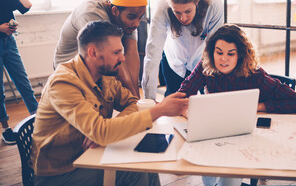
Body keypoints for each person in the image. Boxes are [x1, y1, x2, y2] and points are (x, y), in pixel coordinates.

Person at [31, 20, 188, 186]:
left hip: (91, 154)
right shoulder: (63, 83)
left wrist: (107, 128)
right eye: (116, 52)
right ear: (93, 53)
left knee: (147, 167)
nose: (122, 58)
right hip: (61, 172)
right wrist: (160, 110)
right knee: (134, 174)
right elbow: (102, 132)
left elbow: (132, 103)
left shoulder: (104, 74)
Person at [178, 24, 296, 186]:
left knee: (228, 177)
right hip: (212, 131)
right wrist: (189, 111)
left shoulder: (254, 74)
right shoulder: (206, 65)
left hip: (243, 134)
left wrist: (259, 106)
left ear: (240, 55)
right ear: (212, 52)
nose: (223, 59)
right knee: (209, 173)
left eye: (230, 54)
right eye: (219, 52)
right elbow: (181, 95)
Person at [54, 0, 147, 98]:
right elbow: (111, 57)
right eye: (132, 17)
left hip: (95, 65)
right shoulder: (92, 14)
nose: (136, 24)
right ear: (114, 11)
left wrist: (136, 98)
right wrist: (134, 99)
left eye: (140, 17)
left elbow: (131, 53)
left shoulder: (128, 15)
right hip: (69, 69)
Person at [142, 0, 224, 100]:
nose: (183, 18)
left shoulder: (214, 5)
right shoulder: (162, 7)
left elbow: (213, 48)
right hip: (173, 60)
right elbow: (153, 52)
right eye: (177, 12)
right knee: (173, 99)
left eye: (188, 11)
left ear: (196, 2)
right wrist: (149, 100)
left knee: (208, 100)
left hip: (202, 59)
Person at [0, 0, 38, 145]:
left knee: (24, 84)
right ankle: (6, 129)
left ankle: (38, 120)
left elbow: (27, 5)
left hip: (9, 43)